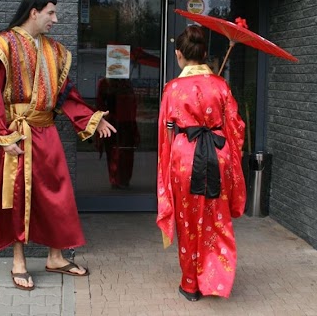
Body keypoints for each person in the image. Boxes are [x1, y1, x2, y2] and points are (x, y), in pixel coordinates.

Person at [0, 0, 117, 291]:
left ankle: (55, 256)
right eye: (51, 13)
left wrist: (92, 119)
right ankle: (18, 261)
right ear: (34, 12)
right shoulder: (2, 45)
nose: (55, 19)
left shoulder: (55, 52)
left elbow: (66, 95)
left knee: (58, 194)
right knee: (17, 196)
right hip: (17, 134)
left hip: (47, 131)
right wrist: (3, 137)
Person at [156, 25, 246, 302]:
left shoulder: (172, 88)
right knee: (216, 217)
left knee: (187, 220)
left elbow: (165, 131)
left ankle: (190, 284)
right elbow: (236, 127)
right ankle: (215, 279)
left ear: (179, 54)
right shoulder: (220, 85)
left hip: (184, 156)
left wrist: (167, 156)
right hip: (218, 154)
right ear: (204, 54)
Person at [95, 77, 140, 189]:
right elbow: (100, 103)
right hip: (112, 121)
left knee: (126, 152)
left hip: (127, 122)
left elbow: (133, 103)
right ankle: (115, 179)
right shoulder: (105, 83)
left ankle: (124, 179)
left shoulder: (126, 82)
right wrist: (102, 118)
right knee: (113, 151)